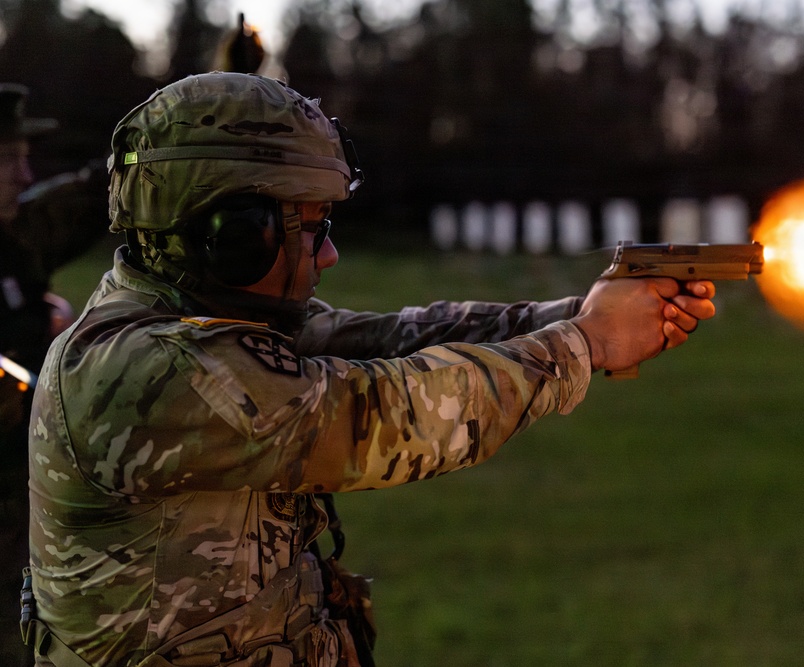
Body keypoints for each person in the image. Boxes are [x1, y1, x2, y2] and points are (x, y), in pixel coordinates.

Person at [25, 72, 716, 667]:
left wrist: (576, 311)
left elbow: (388, 337)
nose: (327, 256)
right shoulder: (135, 370)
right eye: (310, 227)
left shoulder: (208, 321)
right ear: (232, 234)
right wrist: (585, 344)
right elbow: (381, 413)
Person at [0, 83, 106, 667]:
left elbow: (101, 190)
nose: (24, 174)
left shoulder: (19, 235)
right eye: (8, 160)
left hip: (31, 518)